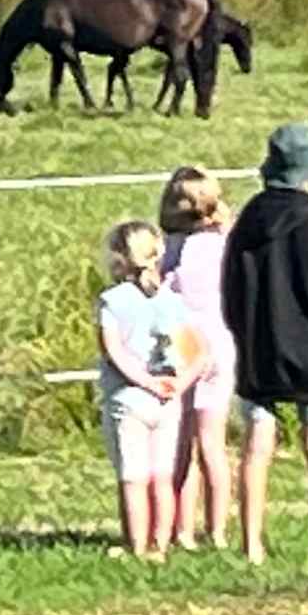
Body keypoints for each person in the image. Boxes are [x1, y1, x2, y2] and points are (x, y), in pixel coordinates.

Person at [221, 121, 308, 565]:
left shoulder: (245, 228)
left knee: (257, 443)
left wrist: (243, 334)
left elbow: (230, 291)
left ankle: (252, 545)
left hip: (259, 348)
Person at [93, 218, 192, 563]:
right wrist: (177, 382)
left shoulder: (111, 301)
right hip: (167, 398)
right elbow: (191, 351)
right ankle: (160, 546)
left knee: (133, 477)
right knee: (162, 476)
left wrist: (142, 380)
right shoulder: (172, 301)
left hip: (128, 397)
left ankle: (136, 545)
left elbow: (113, 350)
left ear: (119, 260)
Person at [157, 166, 235, 551]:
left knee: (182, 442)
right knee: (213, 444)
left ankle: (182, 529)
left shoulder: (172, 249)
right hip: (222, 343)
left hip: (185, 345)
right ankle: (217, 530)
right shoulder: (225, 243)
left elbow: (167, 290)